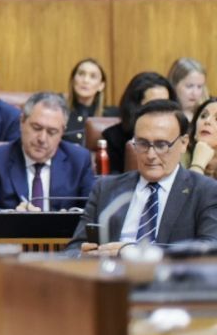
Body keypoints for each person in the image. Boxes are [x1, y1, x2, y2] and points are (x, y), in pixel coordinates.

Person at [67, 100, 217, 254]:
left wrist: (133, 252)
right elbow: (72, 250)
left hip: (170, 269)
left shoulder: (206, 191)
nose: (151, 155)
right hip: (110, 269)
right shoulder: (106, 188)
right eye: (142, 143)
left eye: (161, 145)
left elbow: (210, 249)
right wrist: (83, 255)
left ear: (183, 143)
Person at [0, 92, 94, 211]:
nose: (42, 139)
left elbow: (93, 211)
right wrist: (12, 215)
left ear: (62, 131)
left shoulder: (79, 160)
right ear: (22, 122)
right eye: (36, 128)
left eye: (52, 132)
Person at [99, 71, 175, 174]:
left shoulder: (177, 136)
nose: (162, 110)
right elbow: (112, 180)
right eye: (154, 104)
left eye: (166, 104)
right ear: (135, 107)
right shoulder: (113, 137)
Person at [65, 58, 109, 142]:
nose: (85, 80)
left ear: (101, 85)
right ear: (73, 80)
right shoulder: (59, 113)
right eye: (81, 74)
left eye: (93, 76)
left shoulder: (109, 117)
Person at [167, 57, 208, 122]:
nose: (195, 93)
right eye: (189, 86)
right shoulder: (165, 114)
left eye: (199, 87)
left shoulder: (209, 112)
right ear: (174, 85)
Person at [187, 97, 217, 178]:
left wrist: (197, 165)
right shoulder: (177, 159)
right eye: (203, 116)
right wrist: (198, 164)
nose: (207, 121)